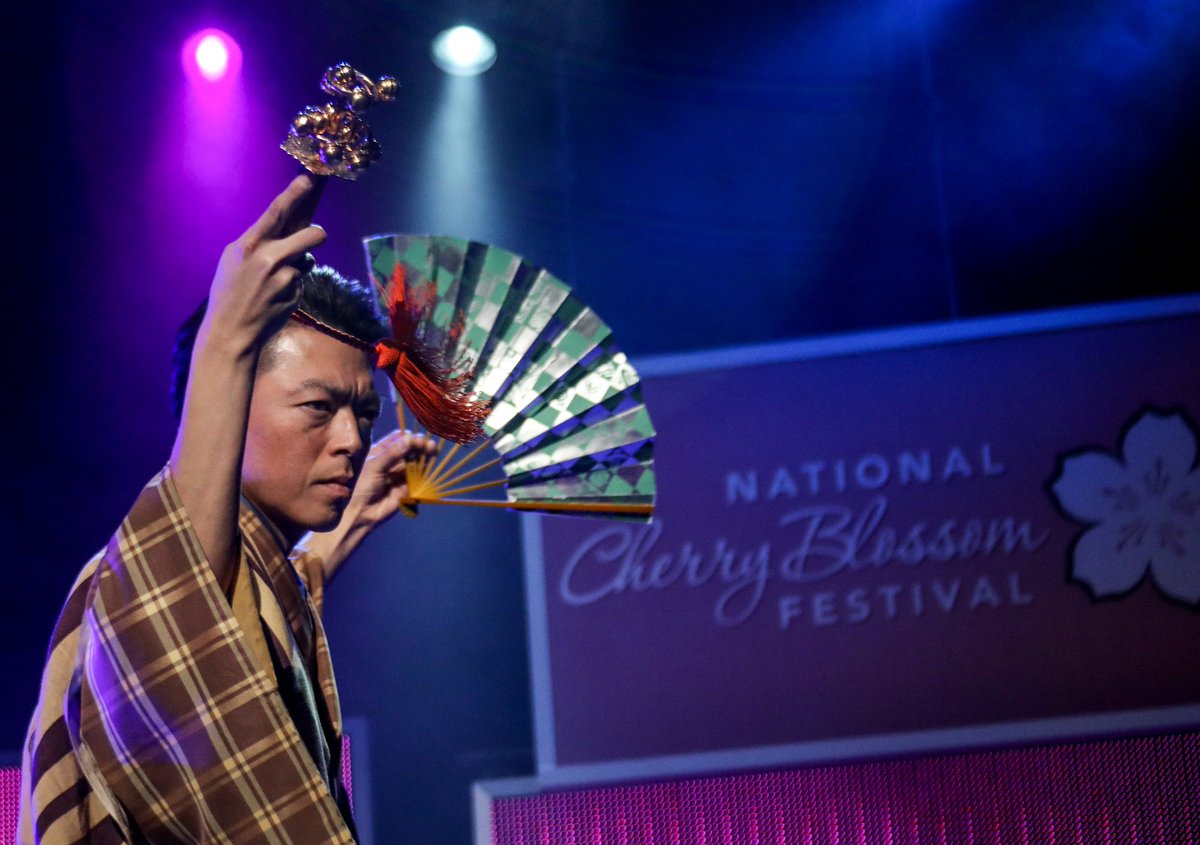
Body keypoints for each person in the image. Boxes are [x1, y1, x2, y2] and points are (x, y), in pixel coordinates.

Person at [19, 175, 431, 844]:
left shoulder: (258, 578)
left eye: (363, 412)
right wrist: (227, 338)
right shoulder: (143, 577)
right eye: (318, 408)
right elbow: (187, 612)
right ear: (231, 397)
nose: (353, 439)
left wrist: (352, 520)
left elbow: (252, 616)